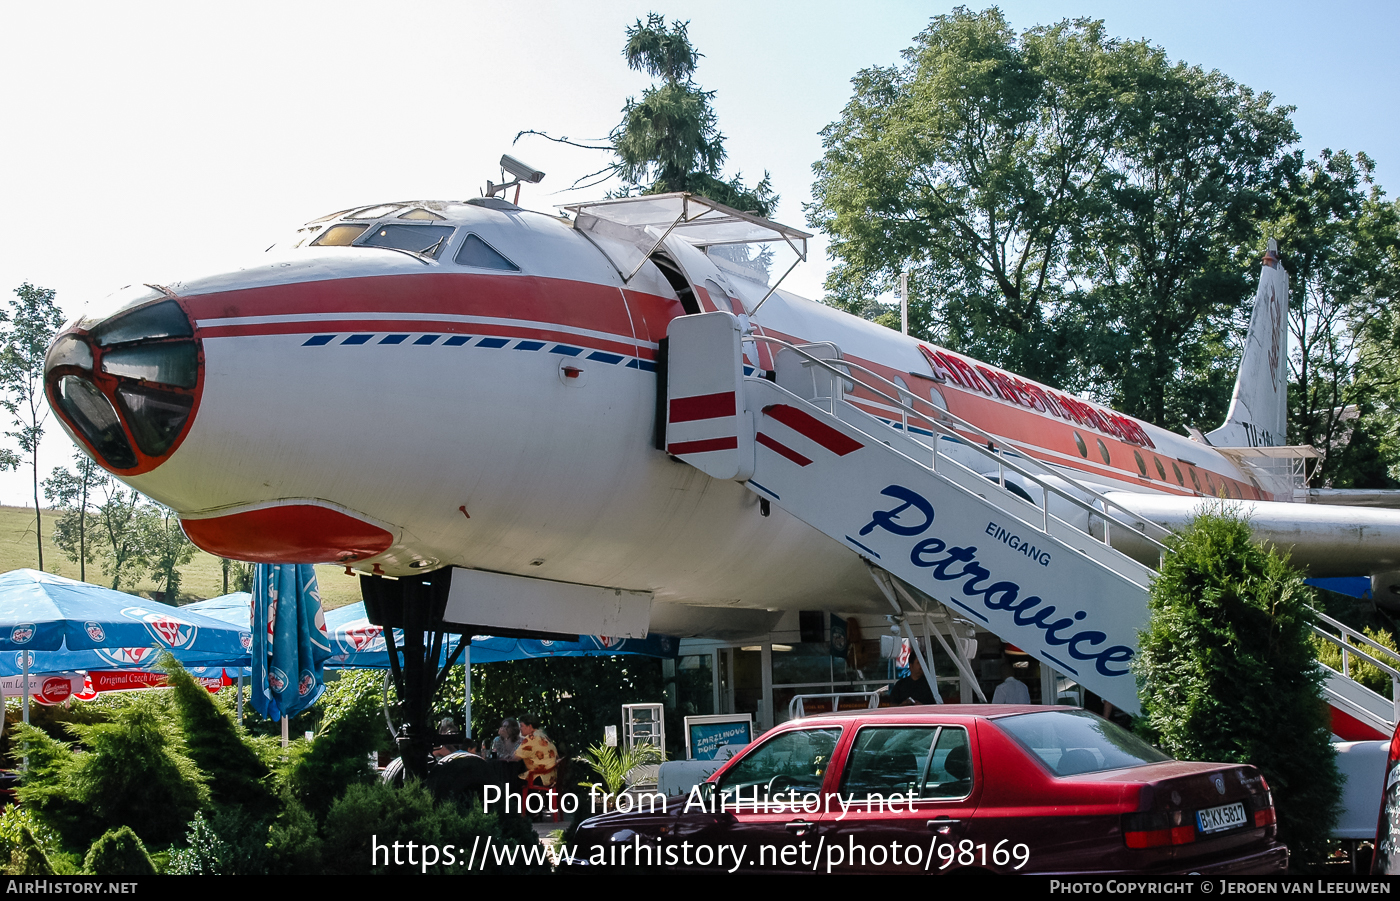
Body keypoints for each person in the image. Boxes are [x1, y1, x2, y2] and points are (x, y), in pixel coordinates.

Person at [515, 714, 559, 788]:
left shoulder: (531, 738)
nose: (520, 729)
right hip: (550, 775)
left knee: (511, 779)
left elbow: (515, 757)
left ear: (530, 726)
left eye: (521, 726)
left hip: (541, 776)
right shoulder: (542, 734)